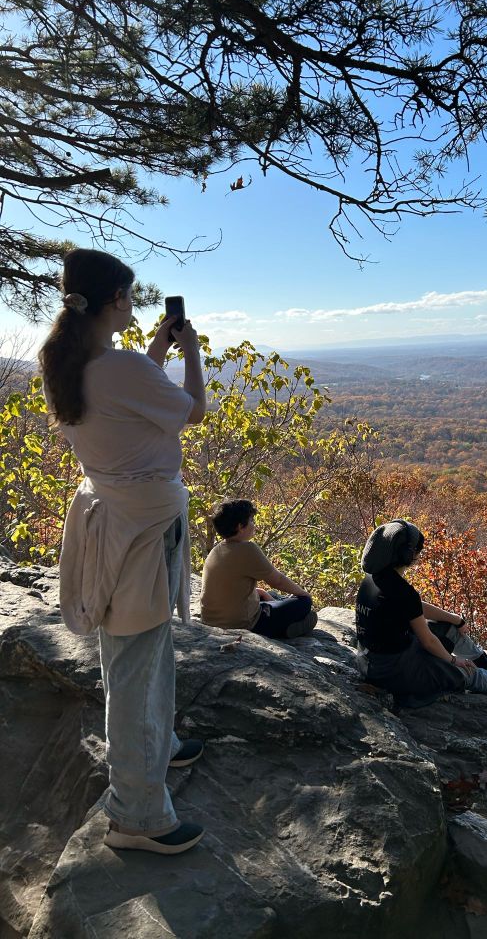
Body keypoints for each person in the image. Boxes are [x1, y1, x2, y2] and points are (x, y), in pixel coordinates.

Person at [40, 249, 207, 855]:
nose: (133, 305)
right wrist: (189, 352)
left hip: (114, 519)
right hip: (141, 531)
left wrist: (154, 353)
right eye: (130, 295)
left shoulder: (72, 363)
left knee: (133, 650)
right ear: (115, 299)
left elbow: (128, 401)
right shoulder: (122, 368)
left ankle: (157, 745)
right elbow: (193, 410)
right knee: (138, 661)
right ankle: (137, 815)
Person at [355, 519, 487, 705]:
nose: (419, 554)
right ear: (407, 554)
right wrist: (454, 660)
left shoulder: (374, 579)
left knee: (449, 628)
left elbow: (415, 607)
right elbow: (428, 641)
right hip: (392, 672)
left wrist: (455, 619)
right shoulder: (401, 591)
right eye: (417, 550)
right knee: (466, 672)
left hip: (373, 661)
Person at [201, 498, 317, 638]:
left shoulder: (217, 550)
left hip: (210, 621)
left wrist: (260, 592)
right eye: (251, 521)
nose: (254, 525)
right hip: (244, 624)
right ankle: (285, 630)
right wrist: (305, 595)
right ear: (240, 526)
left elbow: (228, 586)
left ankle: (283, 620)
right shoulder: (247, 549)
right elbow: (277, 580)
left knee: (271, 594)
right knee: (305, 604)